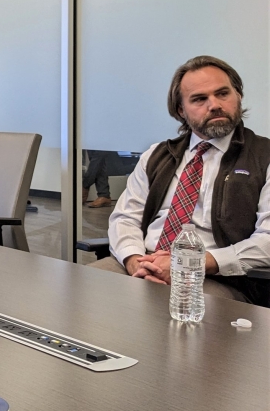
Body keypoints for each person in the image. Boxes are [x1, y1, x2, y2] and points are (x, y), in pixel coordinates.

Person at [91, 55, 270, 306]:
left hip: (218, 276)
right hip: (145, 262)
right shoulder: (157, 155)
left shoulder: (264, 157)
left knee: (170, 314)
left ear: (238, 96)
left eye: (222, 94)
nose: (215, 105)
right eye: (199, 99)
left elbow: (267, 240)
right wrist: (134, 262)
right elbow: (125, 218)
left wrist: (191, 263)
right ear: (181, 110)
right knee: (80, 292)